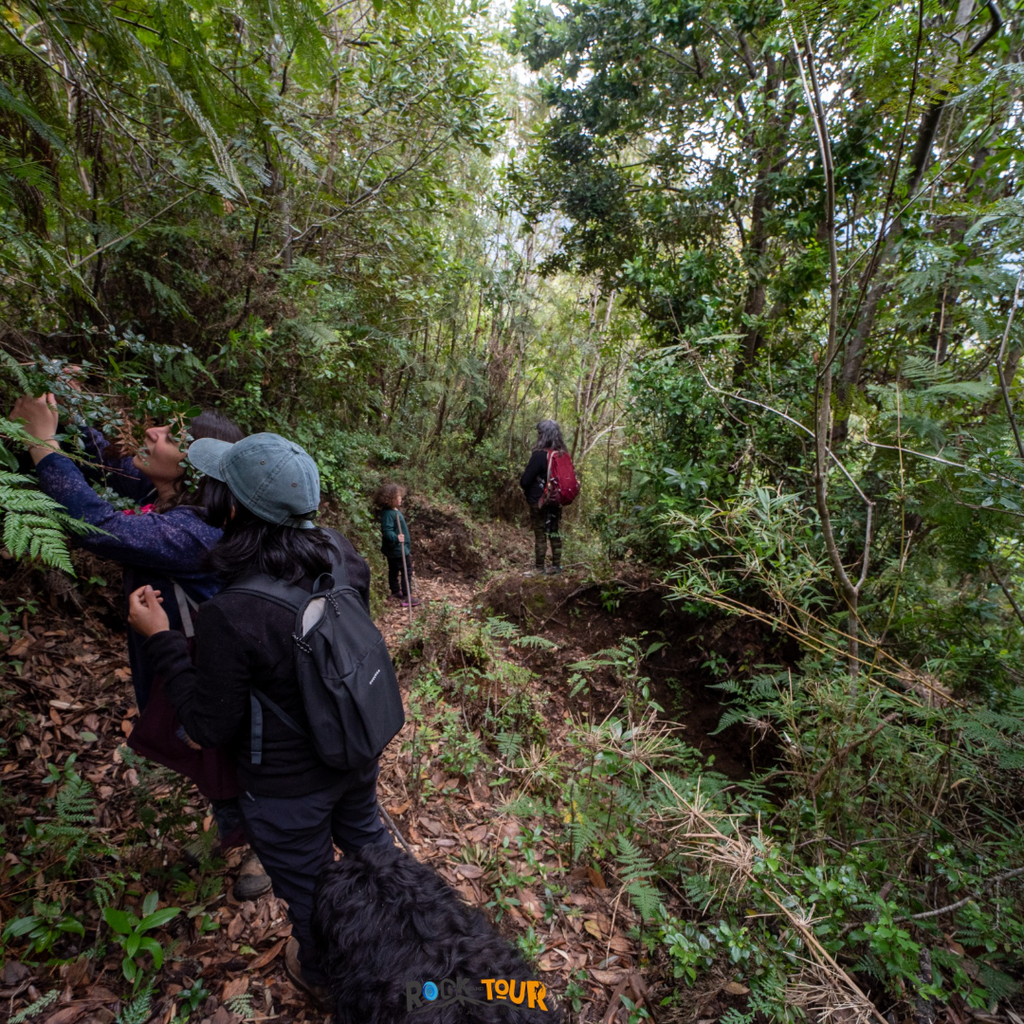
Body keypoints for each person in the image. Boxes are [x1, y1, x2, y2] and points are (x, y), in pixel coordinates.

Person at [127, 433, 391, 1007]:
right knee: (371, 843)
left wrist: (164, 640)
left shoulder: (233, 612)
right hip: (351, 745)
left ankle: (324, 976)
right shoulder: (342, 553)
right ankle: (414, 927)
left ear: (236, 508)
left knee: (312, 888)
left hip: (286, 788)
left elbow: (208, 727)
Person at [10, 392, 271, 899]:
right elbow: (105, 466)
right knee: (206, 753)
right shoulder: (167, 500)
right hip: (175, 654)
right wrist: (70, 409)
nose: (152, 434)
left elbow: (100, 526)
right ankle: (232, 828)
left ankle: (261, 841)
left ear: (197, 469)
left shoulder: (196, 532)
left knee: (228, 752)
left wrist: (42, 443)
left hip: (206, 665)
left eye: (171, 436)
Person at [519, 419, 567, 576]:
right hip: (556, 499)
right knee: (554, 531)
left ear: (542, 435)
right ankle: (557, 566)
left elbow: (525, 481)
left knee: (540, 533)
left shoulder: (539, 456)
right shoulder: (562, 455)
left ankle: (540, 568)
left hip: (538, 500)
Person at [375, 482, 420, 607]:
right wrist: (397, 538)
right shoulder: (389, 514)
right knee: (406, 571)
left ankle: (395, 591)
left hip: (396, 549)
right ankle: (406, 596)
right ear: (390, 499)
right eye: (398, 497)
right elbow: (387, 531)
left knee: (394, 570)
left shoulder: (392, 511)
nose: (401, 499)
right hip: (397, 549)